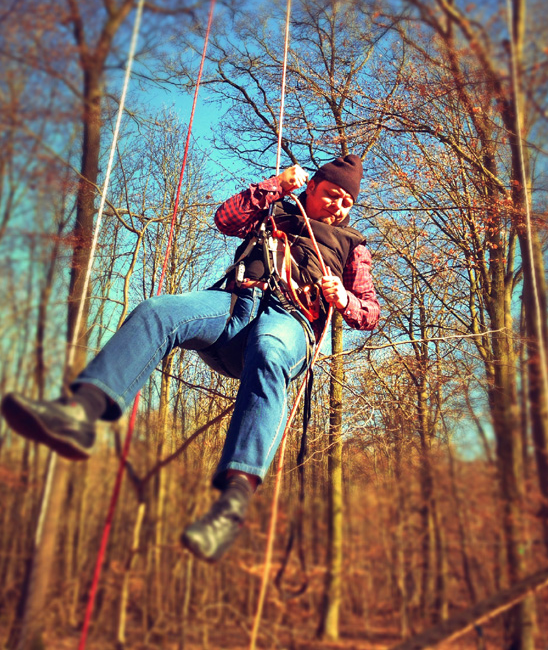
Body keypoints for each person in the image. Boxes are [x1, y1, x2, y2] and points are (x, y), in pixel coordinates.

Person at [1, 154, 379, 562]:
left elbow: (370, 311)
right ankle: (80, 413)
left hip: (288, 322)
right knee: (157, 311)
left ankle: (232, 504)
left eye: (347, 203)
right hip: (237, 305)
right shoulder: (275, 209)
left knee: (269, 351)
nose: (338, 206)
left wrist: (345, 299)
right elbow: (226, 220)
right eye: (332, 194)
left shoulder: (352, 246)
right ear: (313, 185)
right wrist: (275, 186)